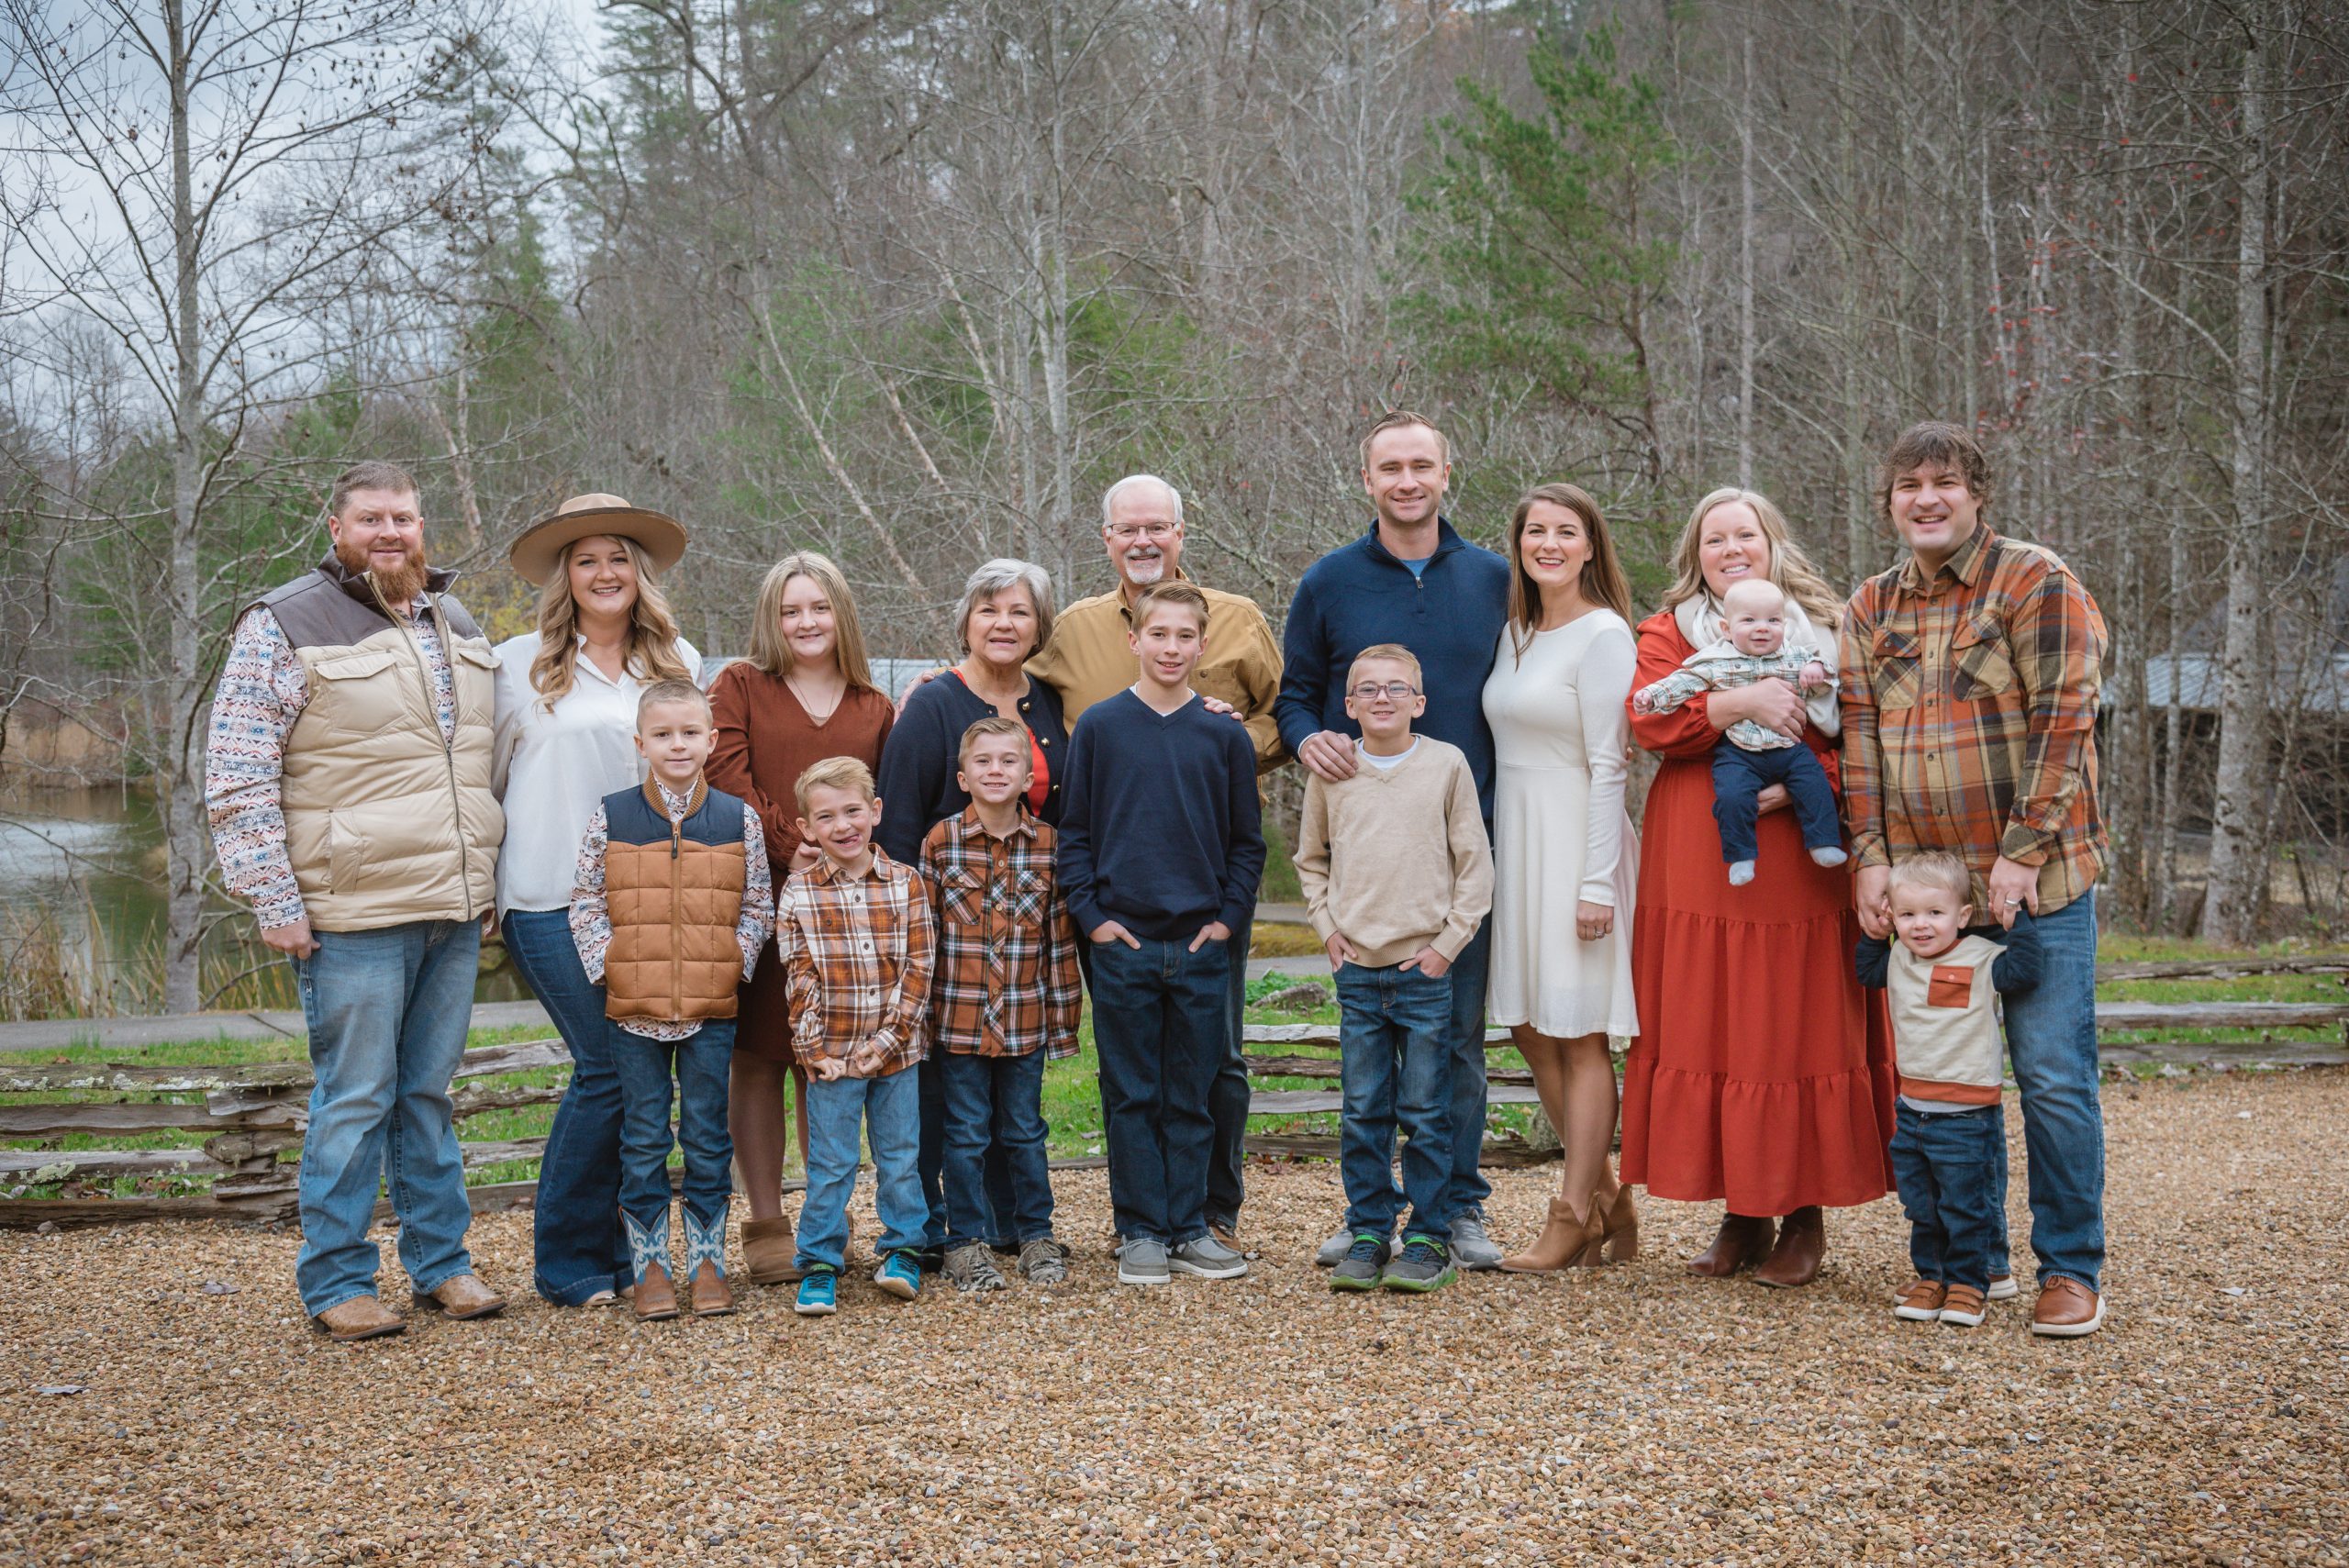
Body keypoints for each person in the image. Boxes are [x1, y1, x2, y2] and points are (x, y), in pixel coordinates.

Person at [204, 460, 507, 1341]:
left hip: (451, 905)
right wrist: (273, 896)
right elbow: (237, 771)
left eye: (402, 517)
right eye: (370, 518)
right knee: (356, 1095)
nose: (389, 532)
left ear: (422, 526)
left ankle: (441, 1263)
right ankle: (338, 1277)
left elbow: (476, 760)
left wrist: (483, 873)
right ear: (335, 528)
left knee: (427, 1094)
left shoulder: (453, 620)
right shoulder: (284, 622)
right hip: (352, 908)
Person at [1840, 421, 2110, 1338]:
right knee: (1942, 1081)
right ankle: (1974, 1259)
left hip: (2036, 883)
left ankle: (2069, 1265)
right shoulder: (1870, 605)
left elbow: (2065, 720)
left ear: (1977, 493)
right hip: (1933, 902)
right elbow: (1860, 741)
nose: (1926, 498)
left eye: (1944, 482)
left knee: (2051, 1075)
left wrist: (2022, 850)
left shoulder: (2034, 581)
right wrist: (1870, 857)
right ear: (1889, 501)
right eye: (1908, 485)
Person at [1620, 486, 1895, 1289]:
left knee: (1791, 1021)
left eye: (1746, 534)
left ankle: (1803, 1213)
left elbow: (1860, 732)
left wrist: (1814, 785)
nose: (1732, 549)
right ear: (1696, 555)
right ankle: (1743, 1213)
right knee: (1719, 1022)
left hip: (1801, 857)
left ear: (1773, 544)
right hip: (1703, 851)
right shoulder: (1669, 631)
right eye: (1715, 539)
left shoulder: (1826, 627)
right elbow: (1651, 722)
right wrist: (1739, 700)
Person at [1278, 411, 1511, 1271]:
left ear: (1447, 472)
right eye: (1390, 467)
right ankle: (1368, 1214)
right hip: (1371, 856)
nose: (1406, 480)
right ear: (1366, 480)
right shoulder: (1329, 581)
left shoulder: (1494, 577)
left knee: (1456, 1045)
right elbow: (1294, 695)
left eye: (1421, 465)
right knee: (1370, 1067)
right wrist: (1307, 738)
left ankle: (1456, 1208)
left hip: (1464, 846)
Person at [1028, 474, 1285, 1247]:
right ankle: (1140, 1220)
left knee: (1217, 1062)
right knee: (1131, 1068)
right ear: (1106, 539)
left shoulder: (1236, 618)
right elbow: (1011, 693)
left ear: (1181, 531)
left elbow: (1285, 713)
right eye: (1127, 528)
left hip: (1208, 887)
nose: (1143, 540)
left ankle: (1209, 1212)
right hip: (1116, 891)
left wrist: (1228, 739)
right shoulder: (1073, 630)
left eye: (1157, 526)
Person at [492, 492, 696, 1308]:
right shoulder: (516, 664)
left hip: (646, 898)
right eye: (586, 560)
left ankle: (622, 1254)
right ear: (565, 576)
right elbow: (486, 780)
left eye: (619, 558)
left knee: (639, 1076)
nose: (604, 573)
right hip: (544, 890)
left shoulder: (677, 661)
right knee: (605, 1067)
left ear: (639, 572)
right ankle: (567, 1258)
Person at [1059, 580, 1265, 1287]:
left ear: (1202, 646)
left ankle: (1189, 1227)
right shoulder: (1100, 727)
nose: (1171, 647)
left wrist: (1227, 918)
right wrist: (1094, 920)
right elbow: (1075, 833)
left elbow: (1246, 842)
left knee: (1192, 1093)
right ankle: (1141, 1229)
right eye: (1158, 634)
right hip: (1125, 946)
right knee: (1131, 1092)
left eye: (1184, 636)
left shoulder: (1222, 734)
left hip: (1201, 945)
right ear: (1134, 640)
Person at [706, 551, 896, 1286]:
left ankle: (826, 1215)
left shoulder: (873, 707)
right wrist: (794, 840)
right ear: (771, 619)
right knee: (758, 1056)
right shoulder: (741, 686)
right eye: (790, 610)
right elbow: (727, 779)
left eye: (819, 607)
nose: (806, 621)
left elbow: (883, 801)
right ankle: (764, 1220)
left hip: (846, 912)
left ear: (841, 613)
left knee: (828, 1061)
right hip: (760, 898)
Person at [876, 559, 1064, 1266]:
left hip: (1025, 919)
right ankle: (943, 1230)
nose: (1003, 624)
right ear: (966, 621)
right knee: (949, 1095)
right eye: (989, 610)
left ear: (1040, 626)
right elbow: (899, 825)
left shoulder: (1049, 704)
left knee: (1015, 1102)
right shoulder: (933, 703)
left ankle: (1013, 1223)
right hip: (949, 928)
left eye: (1019, 611)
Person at [567, 681, 773, 1321]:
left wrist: (735, 962)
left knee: (708, 1136)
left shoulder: (737, 818)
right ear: (641, 743)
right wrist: (610, 964)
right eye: (662, 734)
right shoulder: (614, 815)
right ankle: (650, 1266)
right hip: (634, 1011)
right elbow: (586, 900)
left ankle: (708, 1262)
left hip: (711, 1008)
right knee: (643, 1137)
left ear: (711, 741)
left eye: (689, 733)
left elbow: (758, 903)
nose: (677, 745)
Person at [1478, 484, 1642, 1273]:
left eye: (1565, 531)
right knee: (1527, 1024)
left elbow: (1611, 765)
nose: (1548, 543)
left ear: (1590, 546)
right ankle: (1611, 1199)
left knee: (1578, 1031)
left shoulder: (1604, 634)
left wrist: (1597, 882)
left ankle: (1573, 1212)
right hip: (1517, 841)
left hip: (1577, 841)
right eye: (1535, 530)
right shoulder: (1515, 631)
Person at [1294, 644, 1492, 1295]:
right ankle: (1370, 1227)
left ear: (1420, 702)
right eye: (1369, 689)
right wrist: (1327, 929)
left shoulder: (1446, 765)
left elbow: (1475, 865)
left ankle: (1430, 1233)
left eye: (1397, 688)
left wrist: (1448, 945)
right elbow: (1310, 859)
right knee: (1363, 1109)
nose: (1384, 698)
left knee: (1427, 1110)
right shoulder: (1333, 771)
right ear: (1349, 705)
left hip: (1424, 969)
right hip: (1358, 970)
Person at [918, 716, 1083, 1291]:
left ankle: (1036, 1235)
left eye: (1008, 761)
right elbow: (924, 940)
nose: (995, 770)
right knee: (965, 1135)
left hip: (1024, 1022)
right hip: (958, 1024)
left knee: (1025, 1132)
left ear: (1029, 776)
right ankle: (965, 1243)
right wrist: (920, 1023)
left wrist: (1063, 1025)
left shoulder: (1049, 846)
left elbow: (1059, 943)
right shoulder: (940, 842)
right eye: (982, 761)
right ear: (963, 777)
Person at [1855, 852, 2042, 1329]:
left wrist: (2016, 921)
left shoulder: (1980, 957)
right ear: (1894, 917)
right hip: (1912, 1110)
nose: (1921, 925)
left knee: (1965, 1206)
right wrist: (1875, 933)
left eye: (1935, 913)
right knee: (1922, 1205)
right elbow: (1866, 971)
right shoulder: (1898, 958)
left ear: (1962, 916)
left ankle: (1969, 1284)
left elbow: (2026, 972)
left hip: (1966, 1114)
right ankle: (1932, 1277)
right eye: (1908, 914)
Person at [779, 756, 938, 1316]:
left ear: (875, 811)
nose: (842, 826)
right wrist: (812, 1050)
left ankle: (903, 1249)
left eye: (852, 811)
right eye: (826, 817)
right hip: (832, 1059)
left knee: (900, 1157)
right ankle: (820, 1261)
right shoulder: (799, 892)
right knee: (830, 1165)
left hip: (898, 1055)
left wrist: (887, 1043)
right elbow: (799, 976)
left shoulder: (907, 883)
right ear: (807, 828)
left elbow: (920, 969)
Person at [1632, 576, 1846, 885]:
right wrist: (1652, 696)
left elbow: (1827, 677)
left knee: (1814, 784)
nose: (1762, 628)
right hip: (1740, 751)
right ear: (1727, 629)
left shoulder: (1796, 656)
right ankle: (1740, 855)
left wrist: (1819, 671)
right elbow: (1683, 682)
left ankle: (1823, 842)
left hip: (1789, 747)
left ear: (1784, 625)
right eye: (1749, 621)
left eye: (1773, 621)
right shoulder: (1717, 661)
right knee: (1732, 796)